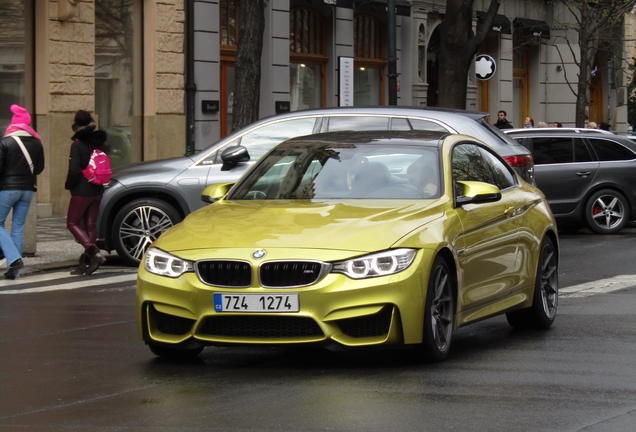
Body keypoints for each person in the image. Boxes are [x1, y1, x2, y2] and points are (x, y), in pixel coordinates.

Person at [0, 105, 45, 279]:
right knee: (18, 227)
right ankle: (14, 270)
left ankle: (14, 259)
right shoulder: (37, 142)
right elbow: (39, 168)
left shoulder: (6, 142)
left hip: (8, 189)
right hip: (27, 190)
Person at [65, 110, 108, 275]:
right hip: (98, 189)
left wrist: (69, 185)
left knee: (72, 223)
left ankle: (94, 252)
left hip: (82, 190)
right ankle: (87, 263)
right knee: (90, 225)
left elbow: (74, 171)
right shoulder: (99, 142)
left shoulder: (77, 145)